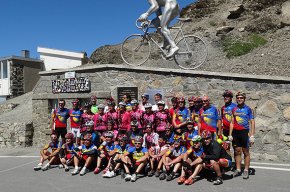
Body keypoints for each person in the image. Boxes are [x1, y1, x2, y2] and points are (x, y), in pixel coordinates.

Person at [229, 91, 255, 179]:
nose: (239, 99)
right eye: (238, 98)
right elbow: (232, 122)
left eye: (241, 98)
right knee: (237, 151)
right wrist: (230, 134)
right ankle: (238, 169)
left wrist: (252, 135)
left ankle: (246, 170)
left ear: (244, 99)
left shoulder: (248, 109)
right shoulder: (234, 109)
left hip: (244, 132)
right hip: (235, 133)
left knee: (246, 152)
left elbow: (252, 122)